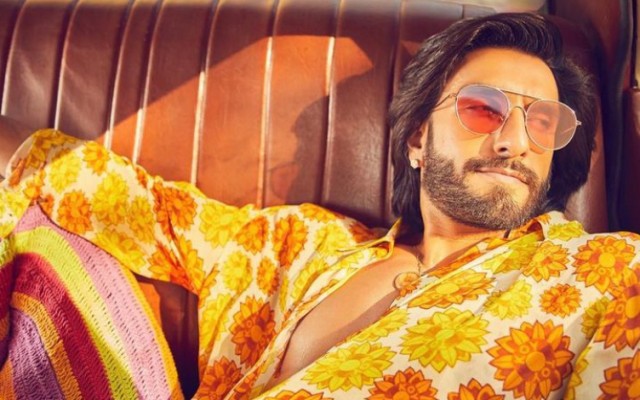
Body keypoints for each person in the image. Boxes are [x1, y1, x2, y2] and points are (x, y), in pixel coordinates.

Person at [1, 12, 639, 400]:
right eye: (482, 108)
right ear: (418, 139)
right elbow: (126, 202)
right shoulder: (295, 244)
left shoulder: (610, 273)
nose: (514, 140)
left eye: (543, 122)